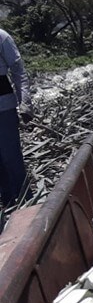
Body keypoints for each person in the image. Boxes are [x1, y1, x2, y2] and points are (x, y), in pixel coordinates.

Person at [0, 27, 30, 208]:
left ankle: (27, 202)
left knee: (11, 157)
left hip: (3, 108)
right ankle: (8, 203)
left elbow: (18, 71)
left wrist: (25, 103)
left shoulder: (2, 37)